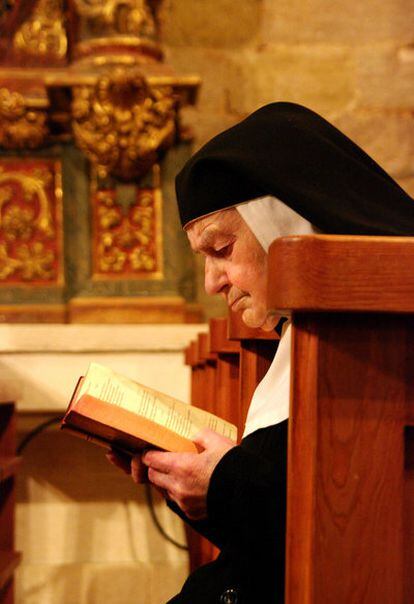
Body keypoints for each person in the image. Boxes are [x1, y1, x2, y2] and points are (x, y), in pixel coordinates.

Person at [108, 102, 414, 603]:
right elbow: (273, 534)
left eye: (221, 249)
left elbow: (356, 531)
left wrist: (223, 485)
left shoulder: (381, 345)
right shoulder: (300, 336)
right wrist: (191, 486)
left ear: (285, 225)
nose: (211, 282)